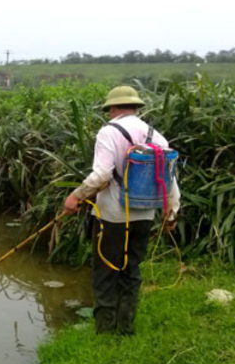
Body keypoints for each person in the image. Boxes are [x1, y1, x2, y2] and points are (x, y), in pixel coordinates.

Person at [63, 86, 180, 335]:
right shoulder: (157, 137)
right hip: (144, 215)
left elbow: (103, 175)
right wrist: (171, 213)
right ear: (136, 108)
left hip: (111, 217)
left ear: (113, 109)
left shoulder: (108, 133)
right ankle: (125, 328)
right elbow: (169, 180)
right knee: (131, 270)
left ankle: (104, 331)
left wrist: (76, 196)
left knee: (106, 272)